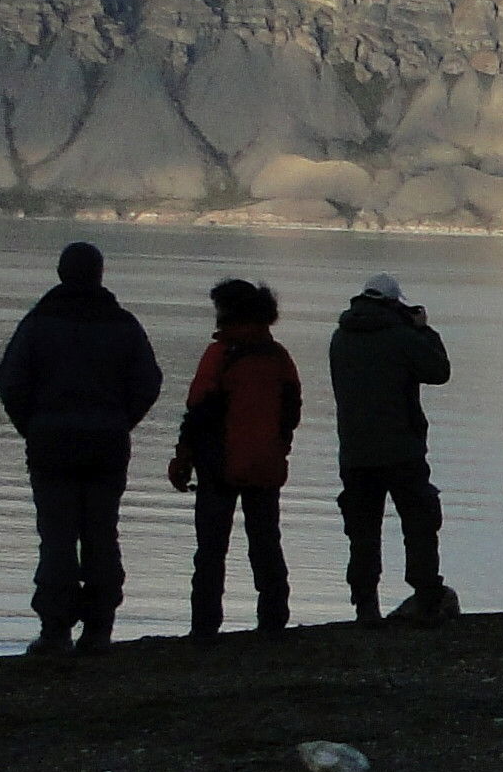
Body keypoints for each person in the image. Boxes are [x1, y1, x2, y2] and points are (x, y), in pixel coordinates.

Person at [0, 240, 162, 656]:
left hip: (51, 444)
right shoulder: (123, 325)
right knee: (101, 533)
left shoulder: (38, 323)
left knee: (57, 537)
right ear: (100, 274)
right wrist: (119, 422)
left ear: (60, 273)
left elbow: (10, 381)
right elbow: (148, 383)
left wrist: (33, 426)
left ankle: (55, 631)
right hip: (106, 445)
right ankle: (99, 629)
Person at [168, 277, 301, 637]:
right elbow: (291, 410)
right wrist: (279, 447)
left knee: (211, 551)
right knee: (266, 544)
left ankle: (205, 627)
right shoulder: (278, 357)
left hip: (218, 466)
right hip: (265, 465)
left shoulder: (220, 355)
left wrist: (183, 458)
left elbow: (198, 409)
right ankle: (273, 621)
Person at [328, 272, 453, 624]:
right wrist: (423, 330)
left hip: (355, 452)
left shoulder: (340, 338)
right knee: (419, 523)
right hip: (402, 451)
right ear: (394, 303)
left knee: (362, 532)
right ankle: (426, 595)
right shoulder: (402, 338)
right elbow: (439, 371)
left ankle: (366, 605)